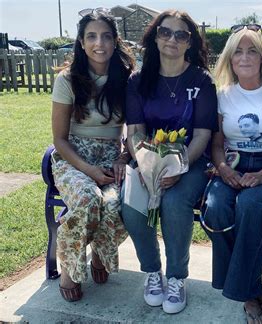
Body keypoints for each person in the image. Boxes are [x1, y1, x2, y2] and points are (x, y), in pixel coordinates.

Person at [123, 10, 218, 314]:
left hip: (191, 162)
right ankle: (152, 272)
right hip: (149, 160)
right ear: (155, 36)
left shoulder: (202, 81)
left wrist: (177, 167)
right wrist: (145, 164)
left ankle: (176, 277)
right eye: (165, 32)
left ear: (190, 42)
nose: (172, 40)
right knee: (132, 203)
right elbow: (135, 132)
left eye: (181, 34)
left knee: (175, 202)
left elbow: (203, 135)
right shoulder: (138, 80)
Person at [202, 23, 262, 324]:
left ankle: (247, 296)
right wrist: (223, 168)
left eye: (252, 51)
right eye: (238, 52)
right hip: (231, 163)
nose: (245, 57)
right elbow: (217, 143)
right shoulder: (223, 95)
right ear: (230, 59)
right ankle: (254, 290)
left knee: (249, 206)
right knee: (216, 209)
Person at [51, 9, 135, 302]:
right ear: (82, 42)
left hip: (111, 159)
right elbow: (59, 140)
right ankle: (70, 269)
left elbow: (134, 132)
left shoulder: (128, 81)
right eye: (92, 36)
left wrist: (123, 158)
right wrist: (88, 170)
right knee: (88, 198)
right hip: (73, 159)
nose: (99, 43)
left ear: (115, 42)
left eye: (106, 36)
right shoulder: (67, 80)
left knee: (117, 205)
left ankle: (100, 253)